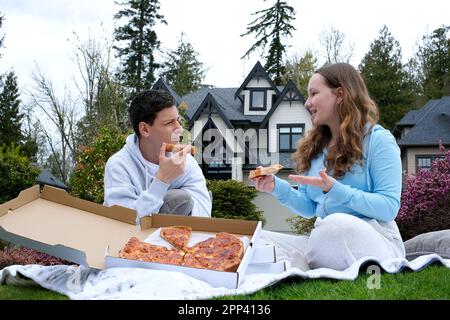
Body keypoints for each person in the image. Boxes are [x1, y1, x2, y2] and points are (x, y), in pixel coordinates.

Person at [251, 63, 406, 270]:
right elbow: (310, 208)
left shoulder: (378, 141)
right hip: (323, 237)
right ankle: (308, 262)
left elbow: (388, 208)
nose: (307, 103)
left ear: (339, 94)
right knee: (255, 238)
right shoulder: (314, 147)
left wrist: (336, 190)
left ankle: (302, 264)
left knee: (335, 226)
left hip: (375, 237)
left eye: (314, 93)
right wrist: (275, 187)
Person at [104, 90, 212, 224]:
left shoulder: (186, 162)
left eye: (178, 120)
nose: (179, 128)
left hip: (178, 240)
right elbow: (123, 222)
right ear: (145, 129)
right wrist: (163, 179)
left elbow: (204, 216)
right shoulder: (119, 165)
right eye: (169, 123)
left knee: (179, 198)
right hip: (130, 241)